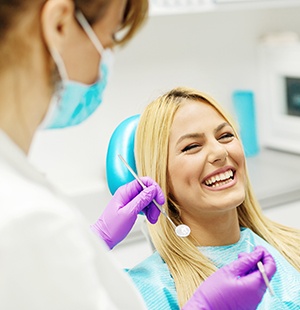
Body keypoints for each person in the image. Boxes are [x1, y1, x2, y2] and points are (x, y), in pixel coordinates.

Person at [0, 0, 276, 309]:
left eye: (226, 135)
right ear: (60, 24)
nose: (219, 153)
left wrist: (95, 239)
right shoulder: (26, 220)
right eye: (108, 40)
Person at [119, 86, 300, 309]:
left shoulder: (293, 247)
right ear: (159, 178)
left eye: (225, 136)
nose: (220, 152)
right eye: (192, 146)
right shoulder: (146, 290)